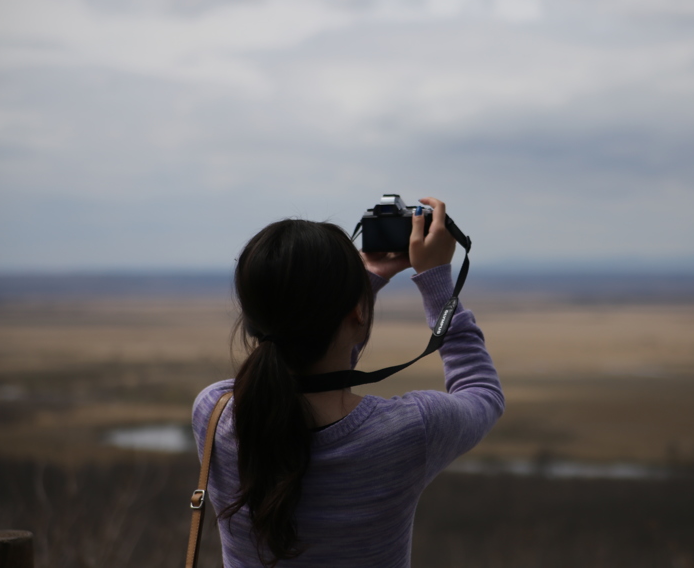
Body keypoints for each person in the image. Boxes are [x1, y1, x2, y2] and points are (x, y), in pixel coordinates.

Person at [191, 197, 504, 568]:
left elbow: (309, 357)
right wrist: (436, 282)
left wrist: (360, 288)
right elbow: (481, 392)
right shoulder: (407, 432)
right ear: (357, 312)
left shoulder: (215, 413)